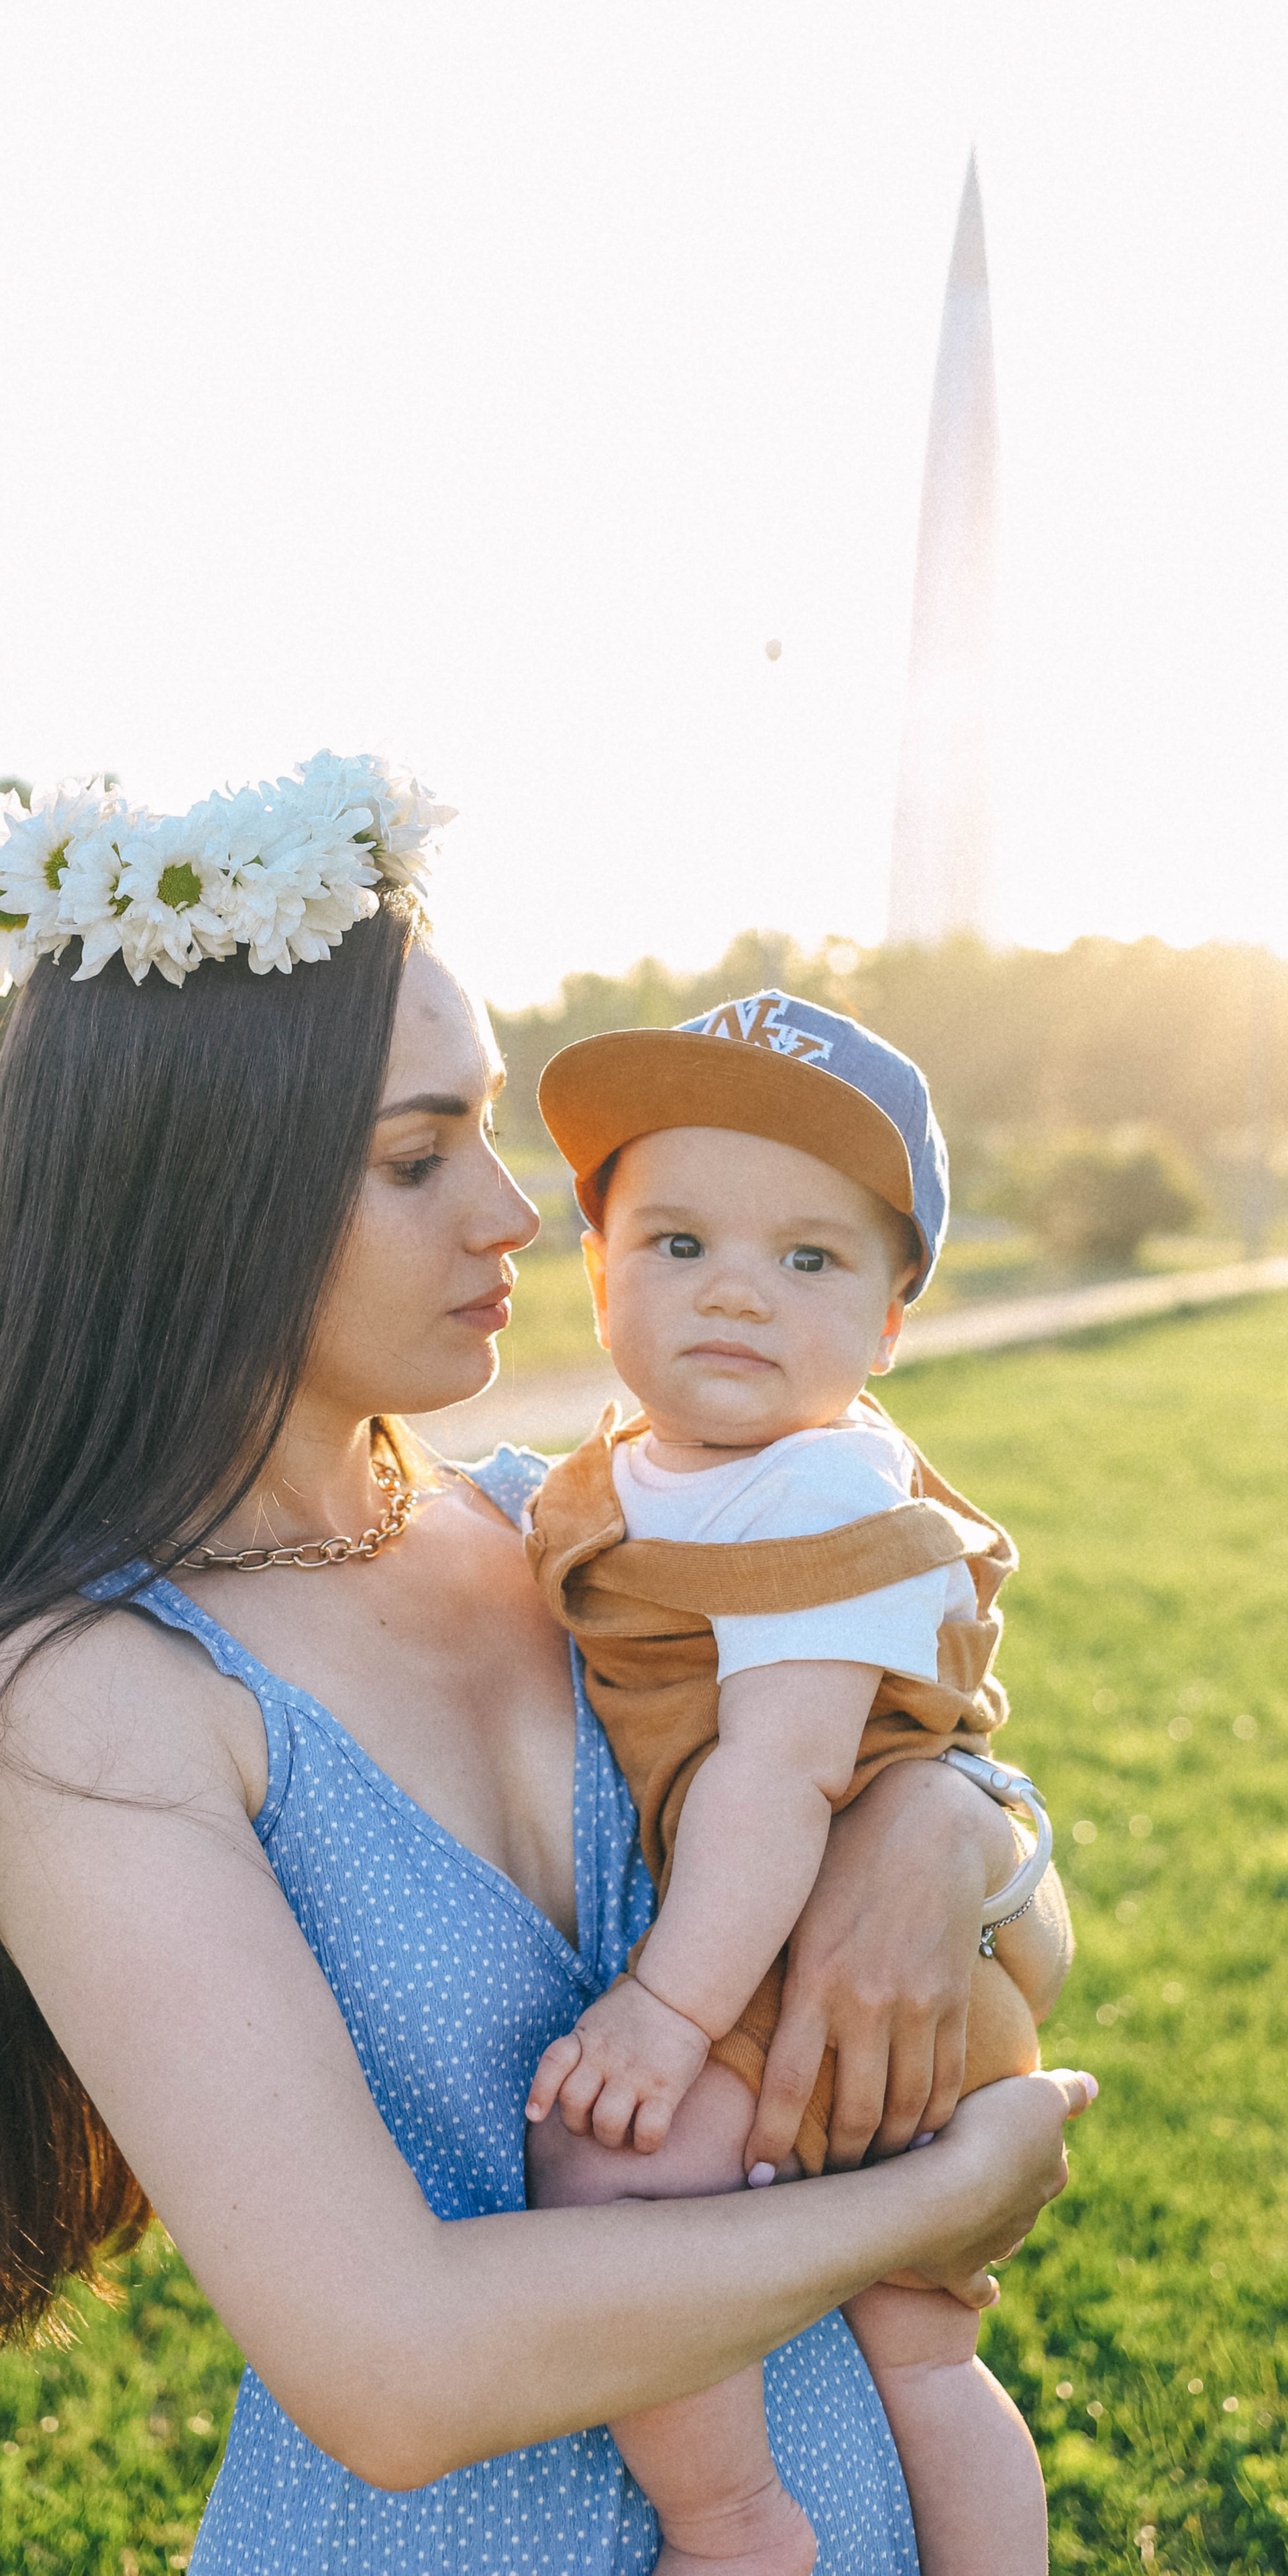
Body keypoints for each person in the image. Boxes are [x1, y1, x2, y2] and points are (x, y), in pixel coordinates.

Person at [0, 757, 1093, 2575]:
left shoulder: (576, 1533)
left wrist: (942, 1833)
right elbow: (395, 2370)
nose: (518, 1216)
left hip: (854, 2515)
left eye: (496, 1136)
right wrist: (944, 2198)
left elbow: (1031, 1952)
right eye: (420, 1157)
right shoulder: (92, 1697)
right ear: (199, 1200)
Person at [520, 989, 1072, 2576]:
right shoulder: (624, 1473)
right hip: (854, 1974)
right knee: (925, 2356)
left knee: (605, 2167)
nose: (735, 1297)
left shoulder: (824, 1486)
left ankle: (731, 2522)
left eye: (807, 1260)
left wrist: (665, 2015)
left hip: (829, 1981)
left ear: (892, 1320)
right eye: (676, 1245)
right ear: (597, 1270)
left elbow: (773, 1774)